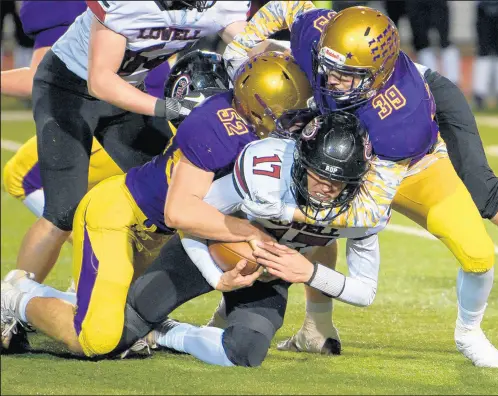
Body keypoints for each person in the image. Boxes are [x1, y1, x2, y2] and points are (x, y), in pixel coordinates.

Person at [222, 2, 498, 368]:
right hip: (339, 151)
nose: (332, 81)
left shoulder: (399, 120)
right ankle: (308, 326)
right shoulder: (318, 37)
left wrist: (287, 210)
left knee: (477, 254)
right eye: (329, 69)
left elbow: (369, 210)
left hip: (405, 168)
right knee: (300, 223)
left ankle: (469, 331)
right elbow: (288, 8)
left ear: (377, 75)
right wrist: (243, 43)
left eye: (346, 76)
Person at [0, 51, 311, 357]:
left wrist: (224, 273)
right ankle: (15, 295)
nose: (293, 125)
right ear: (255, 106)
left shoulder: (251, 127)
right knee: (97, 339)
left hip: (159, 234)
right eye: (285, 114)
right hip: (118, 216)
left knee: (124, 325)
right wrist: (251, 234)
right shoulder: (218, 128)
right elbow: (181, 212)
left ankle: (74, 303)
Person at [104, 111, 382, 368]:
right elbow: (193, 220)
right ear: (301, 160)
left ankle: (167, 333)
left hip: (265, 273)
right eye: (317, 173)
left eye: (338, 181)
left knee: (245, 352)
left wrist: (310, 272)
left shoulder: (367, 207)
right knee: (119, 330)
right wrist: (216, 277)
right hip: (208, 247)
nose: (325, 187)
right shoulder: (267, 172)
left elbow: (366, 291)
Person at [13, 0, 250, 286]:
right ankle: (12, 302)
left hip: (128, 91)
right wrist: (167, 108)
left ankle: (110, 298)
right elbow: (99, 80)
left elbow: (251, 45)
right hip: (67, 90)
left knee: (166, 197)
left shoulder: (221, 5)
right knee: (62, 212)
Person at [1, 2, 172, 222]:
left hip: (117, 111)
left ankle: (97, 249)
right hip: (153, 105)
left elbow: (42, 77)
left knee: (22, 178)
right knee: (163, 199)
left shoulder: (52, 6)